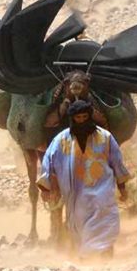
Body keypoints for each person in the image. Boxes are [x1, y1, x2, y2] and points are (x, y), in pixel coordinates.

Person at [36, 98, 130, 258]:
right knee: (79, 226)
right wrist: (45, 187)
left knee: (105, 222)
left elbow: (117, 162)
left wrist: (122, 187)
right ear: (72, 119)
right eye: (78, 118)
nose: (81, 121)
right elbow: (48, 161)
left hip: (102, 192)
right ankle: (85, 258)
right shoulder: (61, 140)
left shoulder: (105, 138)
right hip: (76, 195)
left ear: (90, 117)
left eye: (85, 118)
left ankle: (105, 256)